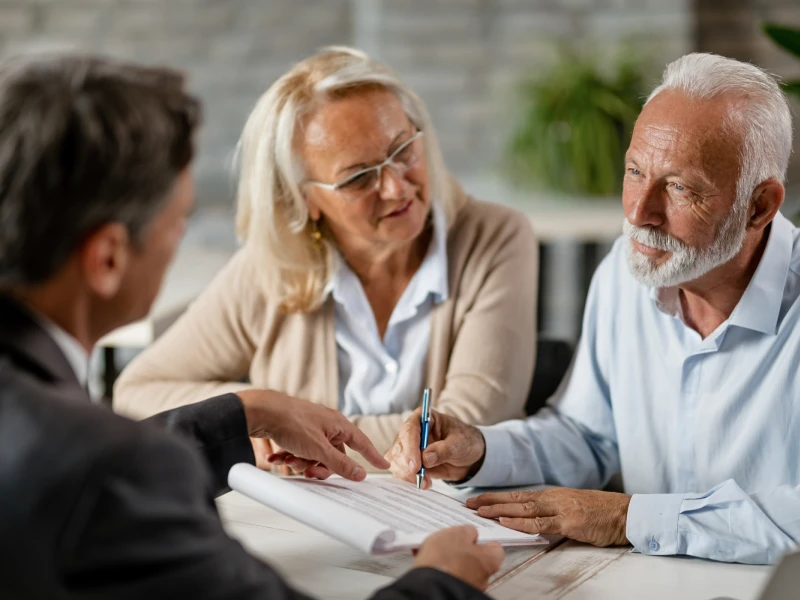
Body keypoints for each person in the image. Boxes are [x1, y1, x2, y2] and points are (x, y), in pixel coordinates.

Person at [0, 53, 505, 598]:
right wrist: (444, 582)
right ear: (107, 260)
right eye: (179, 223)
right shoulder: (118, 471)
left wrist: (245, 414)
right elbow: (103, 471)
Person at [386, 52, 800, 566]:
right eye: (634, 170)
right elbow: (586, 436)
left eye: (678, 187)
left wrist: (628, 518)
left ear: (759, 206)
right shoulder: (625, 274)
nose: (636, 212)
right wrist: (481, 449)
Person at [112, 46, 538, 470]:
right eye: (358, 177)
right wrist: (256, 413)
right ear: (304, 198)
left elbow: (468, 431)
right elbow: (137, 392)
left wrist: (298, 432)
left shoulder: (496, 237)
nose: (396, 187)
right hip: (307, 523)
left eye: (403, 149)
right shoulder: (272, 268)